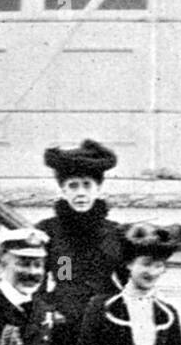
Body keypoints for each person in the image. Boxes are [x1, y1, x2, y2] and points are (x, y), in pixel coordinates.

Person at [36, 138, 125, 330]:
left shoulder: (115, 232)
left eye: (87, 185)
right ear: (63, 190)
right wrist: (46, 312)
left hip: (106, 319)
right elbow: (38, 284)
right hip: (62, 319)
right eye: (73, 186)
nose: (81, 193)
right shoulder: (48, 231)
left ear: (98, 188)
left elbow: (129, 281)